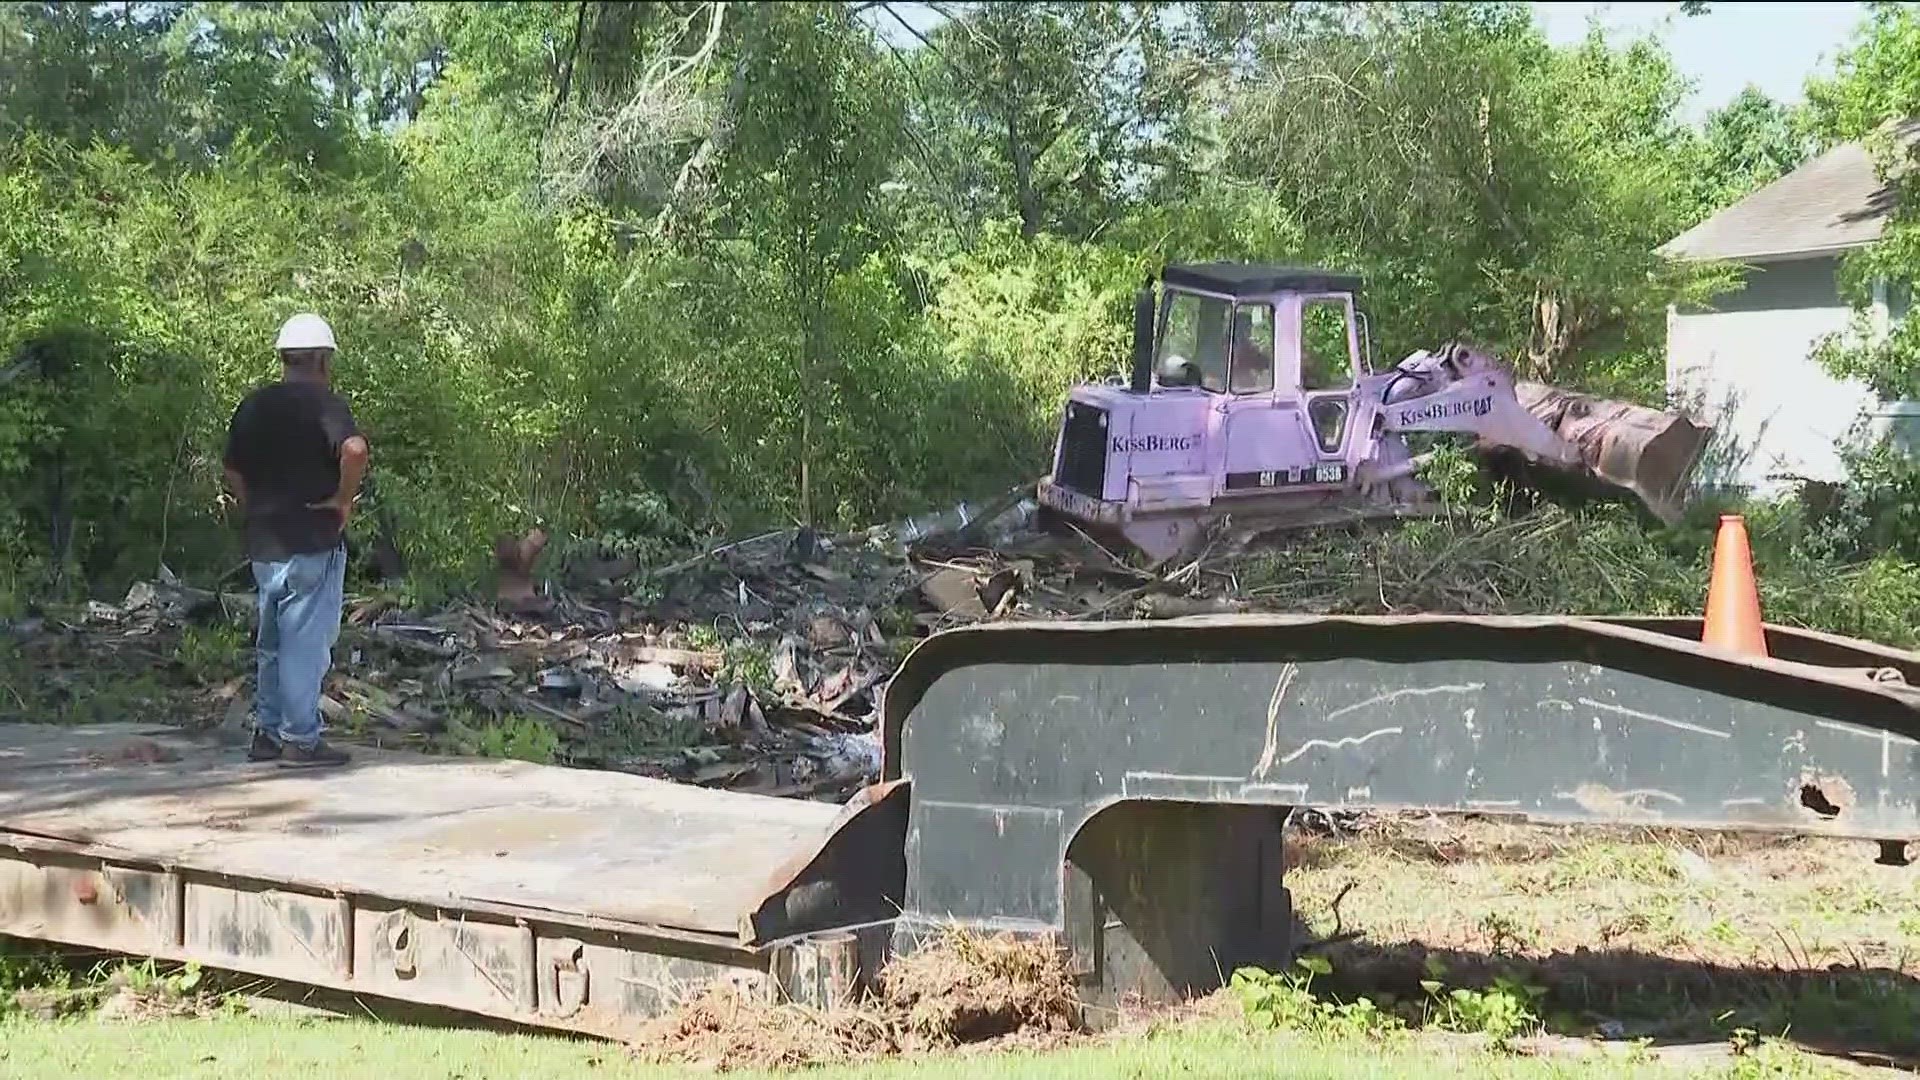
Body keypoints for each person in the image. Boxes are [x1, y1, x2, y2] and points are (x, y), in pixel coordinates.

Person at [222, 313, 368, 768]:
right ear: (323, 360)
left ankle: (266, 734)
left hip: (266, 543)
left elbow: (232, 470)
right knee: (305, 644)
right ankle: (300, 740)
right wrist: (342, 500)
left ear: (283, 358)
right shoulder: (325, 405)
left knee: (272, 642)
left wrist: (256, 508)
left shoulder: (253, 406)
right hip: (312, 539)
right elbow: (355, 450)